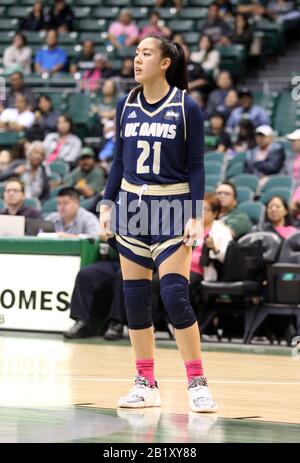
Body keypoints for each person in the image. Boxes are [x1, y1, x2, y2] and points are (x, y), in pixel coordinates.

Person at [99, 35, 217, 412]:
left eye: (146, 54)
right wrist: (107, 202)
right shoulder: (125, 105)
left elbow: (196, 165)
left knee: (174, 296)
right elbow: (119, 161)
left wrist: (196, 215)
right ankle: (145, 382)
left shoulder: (186, 107)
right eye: (135, 54)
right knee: (134, 301)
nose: (137, 60)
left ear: (166, 62)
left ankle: (197, 383)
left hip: (172, 208)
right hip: (132, 207)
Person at [64, 256, 126, 341]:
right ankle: (82, 321)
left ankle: (116, 324)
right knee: (85, 274)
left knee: (123, 274)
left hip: (137, 262)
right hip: (114, 261)